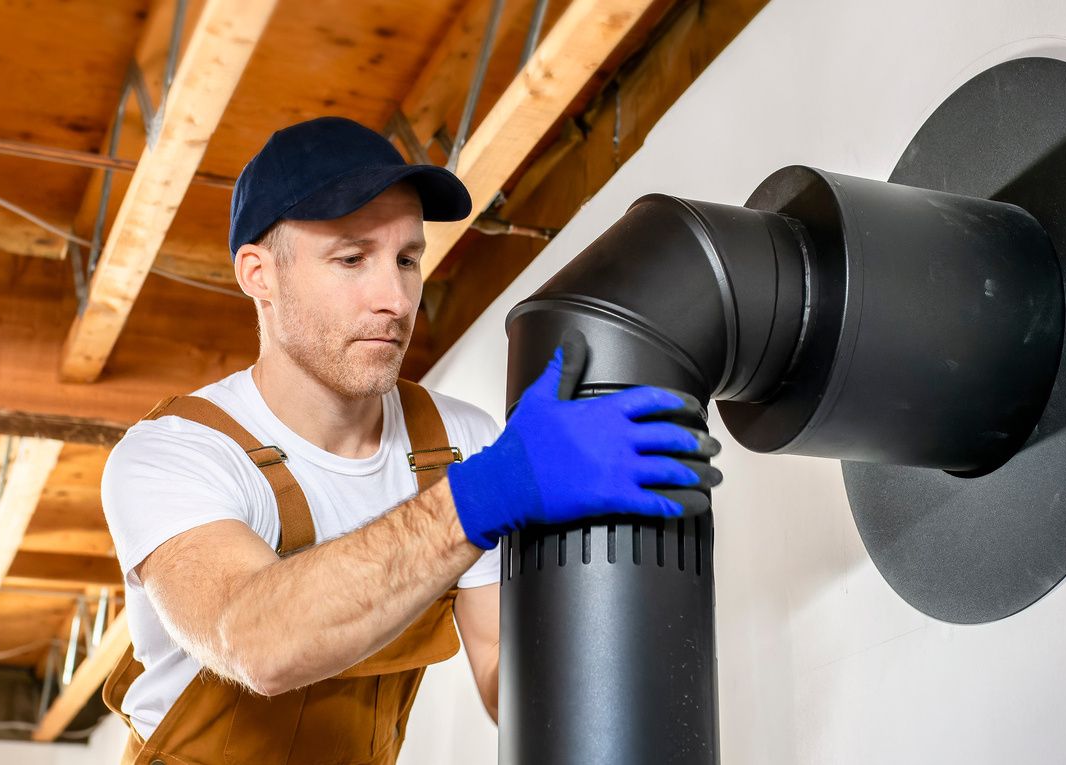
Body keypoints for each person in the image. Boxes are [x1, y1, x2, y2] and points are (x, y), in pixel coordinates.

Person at [98, 116, 721, 764]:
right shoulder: (175, 454)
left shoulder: (459, 439)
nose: (395, 298)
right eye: (351, 259)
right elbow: (255, 641)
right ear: (259, 272)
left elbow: (502, 676)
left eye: (407, 258)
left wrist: (623, 626)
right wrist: (492, 489)